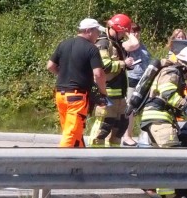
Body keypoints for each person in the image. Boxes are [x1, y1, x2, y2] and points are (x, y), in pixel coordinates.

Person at [139, 45, 187, 198]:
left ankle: (161, 192)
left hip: (157, 118)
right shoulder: (173, 71)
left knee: (162, 158)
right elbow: (167, 93)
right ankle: (167, 195)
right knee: (172, 156)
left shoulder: (175, 72)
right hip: (159, 118)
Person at [47, 18, 106, 147]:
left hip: (60, 95)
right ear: (88, 31)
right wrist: (103, 92)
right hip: (77, 97)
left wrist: (64, 74)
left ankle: (80, 163)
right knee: (71, 134)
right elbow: (98, 74)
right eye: (97, 32)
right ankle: (61, 164)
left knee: (73, 131)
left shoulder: (64, 44)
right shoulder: (91, 49)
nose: (98, 35)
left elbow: (50, 66)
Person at [87, 13, 138, 148]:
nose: (122, 36)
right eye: (121, 33)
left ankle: (114, 158)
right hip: (107, 93)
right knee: (103, 127)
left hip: (119, 95)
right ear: (114, 29)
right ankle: (95, 157)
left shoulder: (116, 43)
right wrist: (123, 64)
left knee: (121, 127)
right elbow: (104, 66)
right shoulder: (103, 43)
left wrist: (127, 33)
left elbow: (135, 44)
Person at [120, 24, 153, 146]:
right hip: (132, 80)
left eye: (138, 31)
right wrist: (128, 35)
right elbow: (133, 44)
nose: (136, 34)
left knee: (145, 109)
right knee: (130, 108)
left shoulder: (142, 45)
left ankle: (144, 134)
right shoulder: (125, 45)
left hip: (144, 80)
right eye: (133, 31)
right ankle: (126, 136)